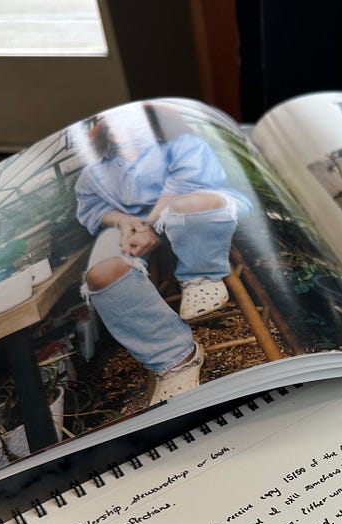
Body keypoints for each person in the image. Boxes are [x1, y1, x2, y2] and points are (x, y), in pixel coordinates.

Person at [75, 108, 253, 409]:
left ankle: (202, 275)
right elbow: (92, 207)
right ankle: (175, 358)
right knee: (102, 274)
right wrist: (123, 222)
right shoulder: (94, 172)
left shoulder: (182, 146)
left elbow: (188, 183)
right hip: (135, 225)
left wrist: (152, 225)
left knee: (193, 204)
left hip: (191, 215)